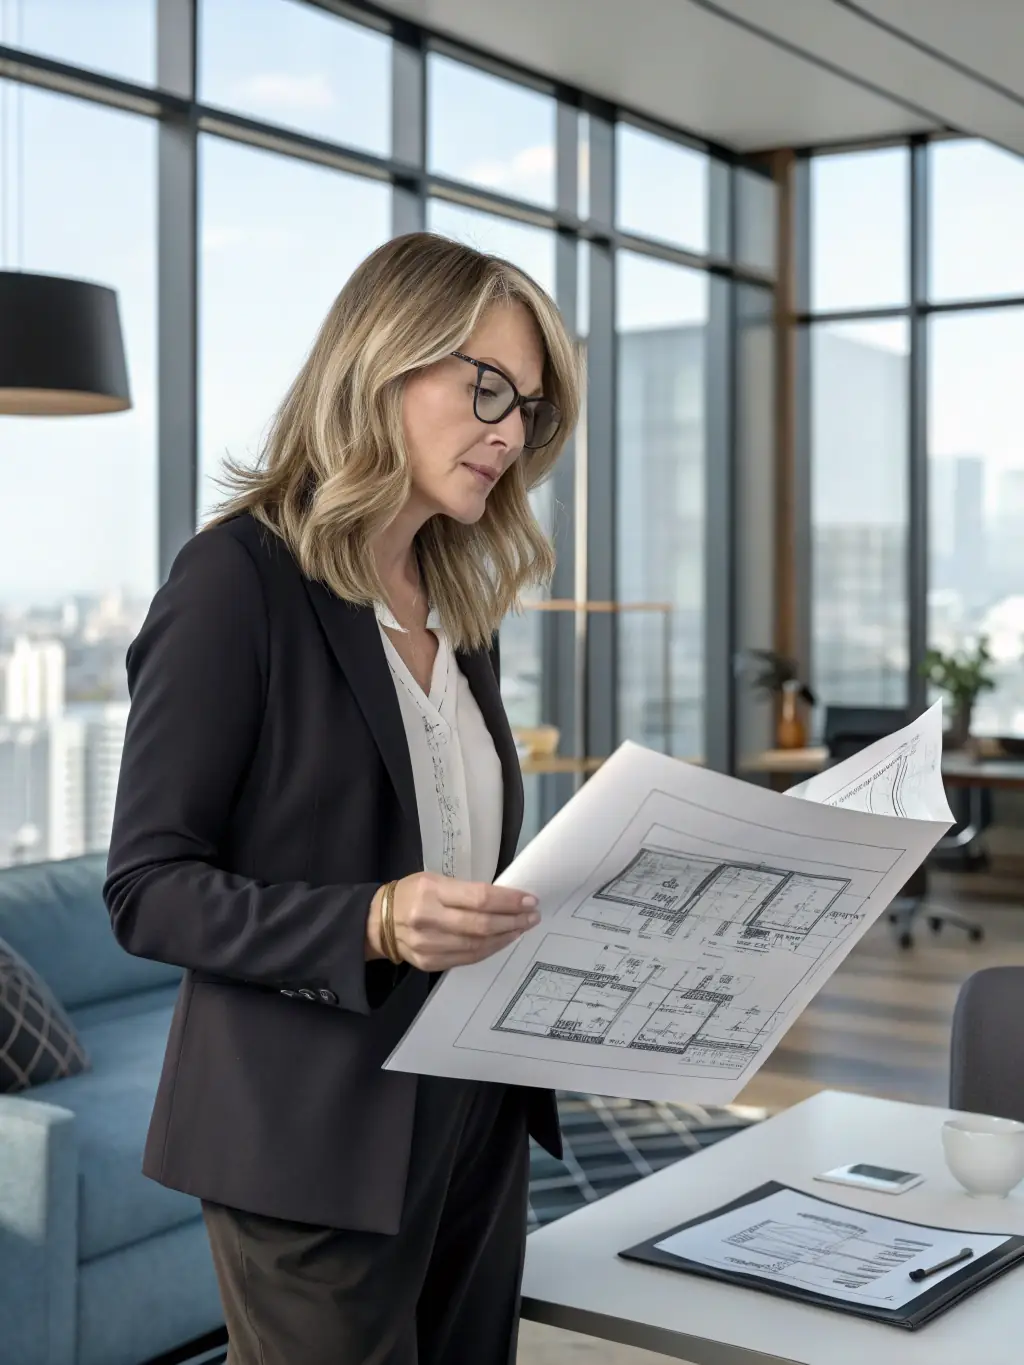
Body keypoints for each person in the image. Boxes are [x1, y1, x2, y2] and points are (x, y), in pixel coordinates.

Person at [103, 231, 581, 1365]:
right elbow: (147, 890)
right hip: (309, 1131)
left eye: (529, 411)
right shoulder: (236, 582)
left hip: (473, 1109)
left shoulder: (457, 604)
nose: (509, 433)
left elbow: (450, 855)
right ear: (383, 362)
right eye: (488, 389)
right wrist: (371, 919)